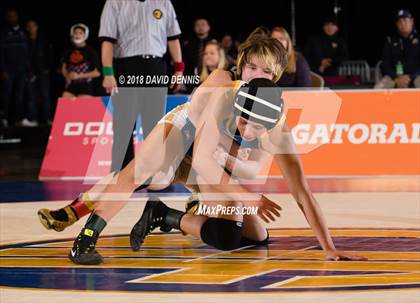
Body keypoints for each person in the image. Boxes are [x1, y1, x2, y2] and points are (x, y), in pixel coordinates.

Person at [38, 28, 366, 265]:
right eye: (252, 67)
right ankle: (84, 240)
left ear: (277, 76)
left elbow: (302, 191)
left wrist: (328, 247)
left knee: (253, 237)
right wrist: (246, 193)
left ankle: (161, 214)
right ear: (242, 65)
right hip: (185, 133)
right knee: (143, 174)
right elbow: (207, 161)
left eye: (266, 71)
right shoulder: (224, 87)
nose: (255, 76)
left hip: (211, 157)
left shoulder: (276, 119)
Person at [99, 0, 184, 173]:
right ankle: (121, 174)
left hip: (156, 67)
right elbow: (107, 42)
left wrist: (179, 70)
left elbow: (173, 39)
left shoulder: (164, 2)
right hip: (127, 66)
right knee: (123, 125)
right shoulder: (115, 3)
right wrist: (108, 73)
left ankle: (155, 174)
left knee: (155, 126)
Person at [375, 9, 420, 89]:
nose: (402, 24)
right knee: (378, 89)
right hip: (395, 77)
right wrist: (395, 78)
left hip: (416, 76)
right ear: (397, 24)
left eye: (405, 20)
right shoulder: (391, 41)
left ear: (412, 22)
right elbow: (385, 63)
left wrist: (411, 77)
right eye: (400, 21)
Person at [0, 8, 29, 127]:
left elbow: (27, 51)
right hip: (8, 70)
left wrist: (28, 68)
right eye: (10, 16)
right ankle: (3, 119)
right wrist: (2, 70)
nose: (12, 18)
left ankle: (19, 119)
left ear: (17, 17)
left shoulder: (23, 31)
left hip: (21, 70)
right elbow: (1, 52)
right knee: (6, 95)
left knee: (19, 96)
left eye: (14, 16)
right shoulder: (3, 32)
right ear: (7, 18)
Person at [24, 19, 53, 125]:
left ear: (36, 27)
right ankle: (33, 119)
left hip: (43, 72)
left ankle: (48, 119)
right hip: (30, 73)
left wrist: (47, 69)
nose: (32, 28)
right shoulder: (24, 41)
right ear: (27, 28)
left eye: (33, 26)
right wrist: (27, 70)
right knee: (31, 97)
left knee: (45, 96)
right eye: (29, 26)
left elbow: (49, 55)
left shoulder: (43, 40)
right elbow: (24, 57)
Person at [60, 24, 100, 97]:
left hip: (86, 86)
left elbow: (97, 73)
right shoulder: (68, 51)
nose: (77, 35)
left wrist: (79, 76)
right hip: (71, 85)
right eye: (75, 33)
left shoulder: (91, 51)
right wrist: (66, 76)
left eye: (80, 33)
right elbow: (63, 68)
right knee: (65, 104)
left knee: (83, 107)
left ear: (85, 35)